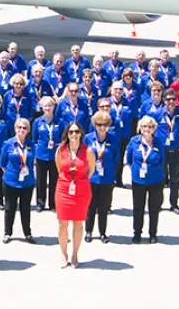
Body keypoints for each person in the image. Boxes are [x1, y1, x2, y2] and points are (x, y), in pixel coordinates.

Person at [56, 121, 95, 267]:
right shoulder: (61, 150)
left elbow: (91, 170)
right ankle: (63, 253)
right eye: (71, 132)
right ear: (67, 134)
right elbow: (59, 168)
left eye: (76, 132)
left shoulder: (87, 151)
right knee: (62, 223)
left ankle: (75, 254)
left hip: (81, 190)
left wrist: (80, 180)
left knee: (78, 223)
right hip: (63, 189)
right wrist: (68, 180)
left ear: (81, 134)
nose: (74, 134)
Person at [128, 116, 165, 243]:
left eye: (150, 127)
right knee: (138, 208)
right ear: (140, 128)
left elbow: (162, 160)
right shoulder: (134, 141)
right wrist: (135, 171)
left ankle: (153, 234)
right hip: (138, 181)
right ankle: (137, 233)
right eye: (144, 126)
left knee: (154, 208)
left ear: (154, 129)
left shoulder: (158, 142)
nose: (147, 129)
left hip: (155, 180)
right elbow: (129, 159)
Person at [84, 110, 119, 243]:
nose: (102, 127)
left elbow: (116, 157)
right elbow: (84, 156)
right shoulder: (88, 138)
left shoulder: (113, 139)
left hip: (107, 178)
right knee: (91, 206)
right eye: (99, 124)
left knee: (104, 207)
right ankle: (88, 231)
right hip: (92, 177)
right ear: (94, 125)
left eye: (105, 125)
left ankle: (102, 232)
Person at [0, 117, 36, 243]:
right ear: (15, 128)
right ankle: (7, 233)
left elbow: (31, 161)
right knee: (10, 207)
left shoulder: (31, 145)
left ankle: (27, 233)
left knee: (25, 208)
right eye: (19, 127)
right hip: (11, 181)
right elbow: (2, 163)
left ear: (28, 130)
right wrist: (12, 174)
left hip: (27, 182)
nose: (21, 130)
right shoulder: (8, 144)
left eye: (24, 128)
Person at [157, 89, 179, 213]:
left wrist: (176, 140)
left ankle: (174, 204)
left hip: (176, 151)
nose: (171, 102)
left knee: (175, 179)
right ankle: (158, 204)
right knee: (160, 179)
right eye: (168, 99)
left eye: (173, 99)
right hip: (162, 151)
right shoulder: (158, 114)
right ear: (164, 100)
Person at [33, 97, 62, 212]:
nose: (48, 108)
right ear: (42, 107)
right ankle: (40, 203)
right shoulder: (37, 122)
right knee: (41, 180)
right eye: (45, 106)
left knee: (54, 180)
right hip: (41, 154)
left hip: (55, 154)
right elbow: (35, 138)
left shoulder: (59, 121)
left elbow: (63, 137)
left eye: (50, 105)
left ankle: (53, 204)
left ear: (54, 107)